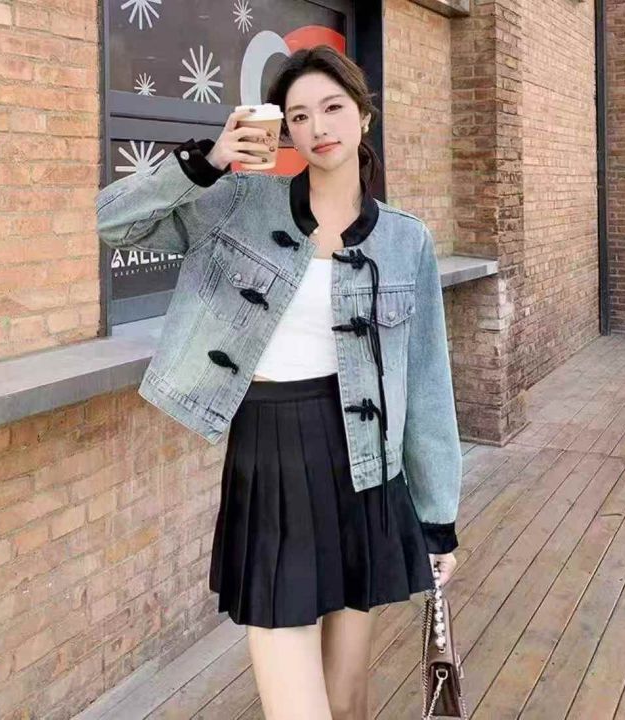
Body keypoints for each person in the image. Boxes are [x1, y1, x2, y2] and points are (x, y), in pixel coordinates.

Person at [97, 45, 462, 720]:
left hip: (367, 466)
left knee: (347, 701)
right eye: (299, 115)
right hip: (270, 454)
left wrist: (438, 520)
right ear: (285, 131)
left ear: (363, 115)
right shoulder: (237, 202)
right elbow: (113, 222)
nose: (318, 126)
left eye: (332, 107)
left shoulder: (404, 239)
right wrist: (206, 163)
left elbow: (428, 386)